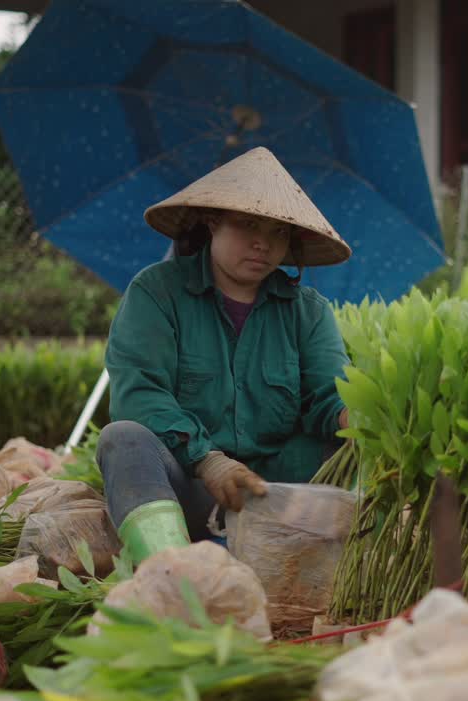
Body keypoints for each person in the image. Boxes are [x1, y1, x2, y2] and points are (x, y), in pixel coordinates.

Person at [96, 147, 353, 567]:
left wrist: (354, 417)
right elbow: (140, 392)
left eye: (278, 231)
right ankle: (173, 578)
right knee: (123, 437)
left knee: (349, 443)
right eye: (248, 224)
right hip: (193, 493)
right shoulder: (157, 293)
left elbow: (329, 393)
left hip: (283, 497)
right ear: (212, 221)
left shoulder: (307, 310)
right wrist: (207, 460)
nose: (262, 243)